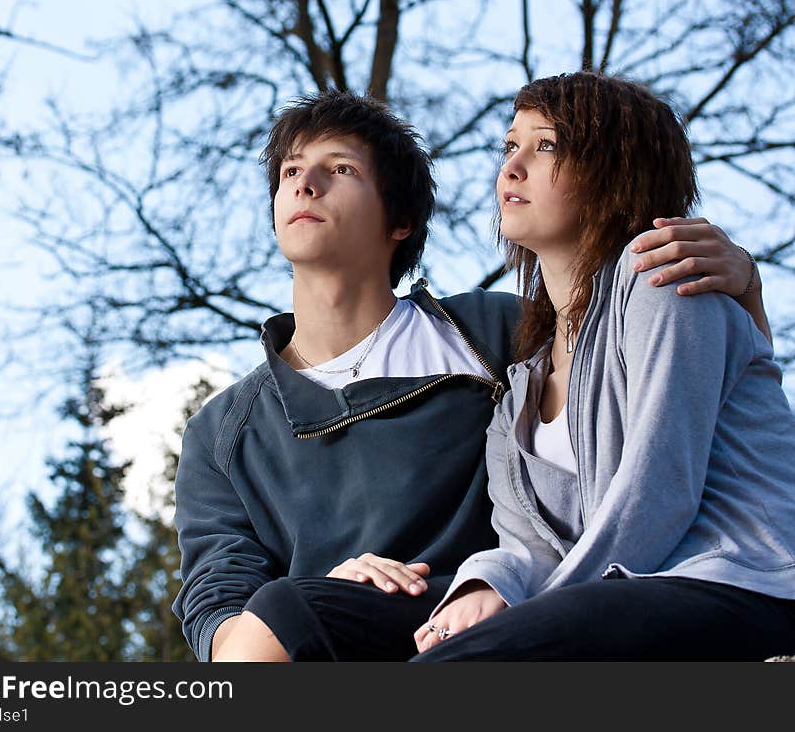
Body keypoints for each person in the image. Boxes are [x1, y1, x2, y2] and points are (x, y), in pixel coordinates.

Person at [172, 89, 769, 662]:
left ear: (400, 219)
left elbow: (707, 405)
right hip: (334, 623)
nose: (304, 182)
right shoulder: (223, 431)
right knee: (282, 609)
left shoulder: (496, 333)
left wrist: (746, 284)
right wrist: (323, 586)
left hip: (496, 602)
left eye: (342, 169)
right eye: (290, 171)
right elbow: (218, 604)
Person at [412, 72, 795, 661]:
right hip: (627, 596)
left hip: (745, 584)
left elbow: (658, 493)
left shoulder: (664, 281)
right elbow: (527, 542)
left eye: (547, 147)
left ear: (615, 171)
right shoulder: (522, 384)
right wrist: (487, 585)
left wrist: (528, 616)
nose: (511, 168)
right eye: (510, 146)